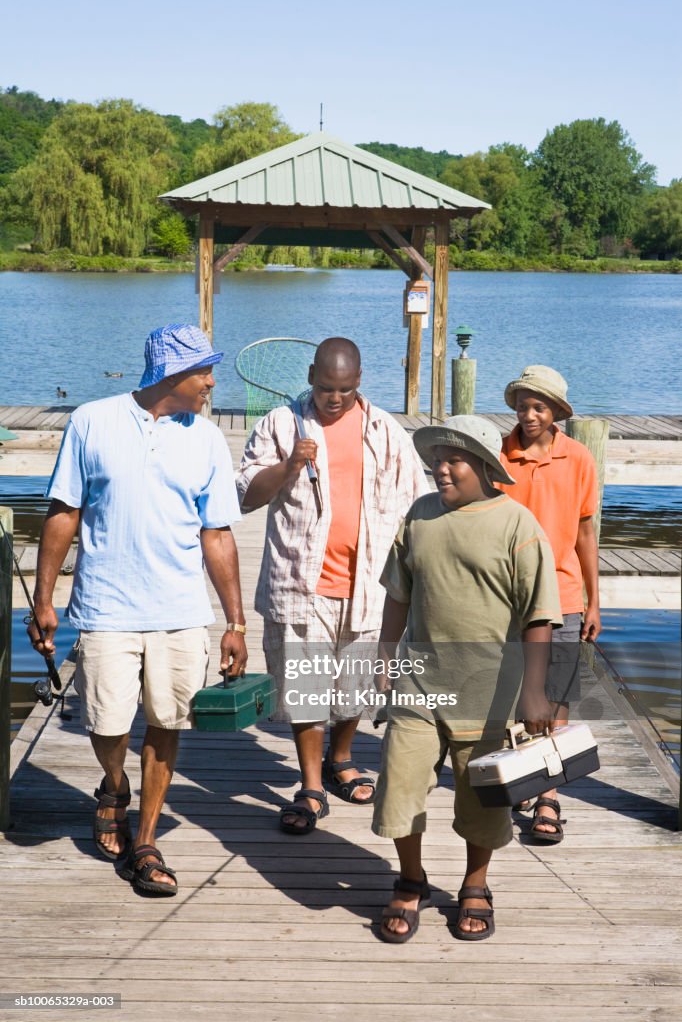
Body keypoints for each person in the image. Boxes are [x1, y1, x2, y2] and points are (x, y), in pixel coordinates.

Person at [29, 324, 248, 896]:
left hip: (178, 607)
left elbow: (218, 533)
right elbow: (63, 511)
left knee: (168, 721)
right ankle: (113, 785)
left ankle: (146, 839)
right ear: (171, 375)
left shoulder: (204, 439)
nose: (210, 382)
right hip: (105, 606)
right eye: (203, 371)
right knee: (106, 722)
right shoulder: (91, 421)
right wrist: (43, 598)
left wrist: (236, 622)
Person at [373, 415, 562, 943]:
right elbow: (398, 593)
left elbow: (539, 617)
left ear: (484, 467)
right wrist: (386, 659)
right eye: (437, 459)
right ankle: (411, 879)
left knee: (481, 801)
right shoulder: (420, 515)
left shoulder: (517, 525)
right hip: (418, 684)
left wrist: (534, 692)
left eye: (454, 460)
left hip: (489, 693)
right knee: (398, 786)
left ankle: (475, 885)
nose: (441, 469)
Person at [236, 337, 428, 834]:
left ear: (359, 381)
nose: (334, 398)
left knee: (357, 684)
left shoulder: (386, 431)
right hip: (301, 583)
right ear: (310, 376)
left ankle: (342, 757)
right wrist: (289, 465)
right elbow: (246, 496)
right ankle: (311, 783)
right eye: (325, 388)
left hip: (370, 585)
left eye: (343, 389)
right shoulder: (281, 424)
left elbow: (418, 504)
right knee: (303, 685)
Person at [499, 365, 600, 843]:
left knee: (556, 696)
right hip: (506, 594)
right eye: (523, 404)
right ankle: (522, 773)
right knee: (514, 690)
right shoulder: (498, 453)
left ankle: (549, 797)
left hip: (562, 592)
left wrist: (594, 600)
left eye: (539, 406)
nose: (529, 413)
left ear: (557, 411)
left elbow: (584, 531)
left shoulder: (578, 458)